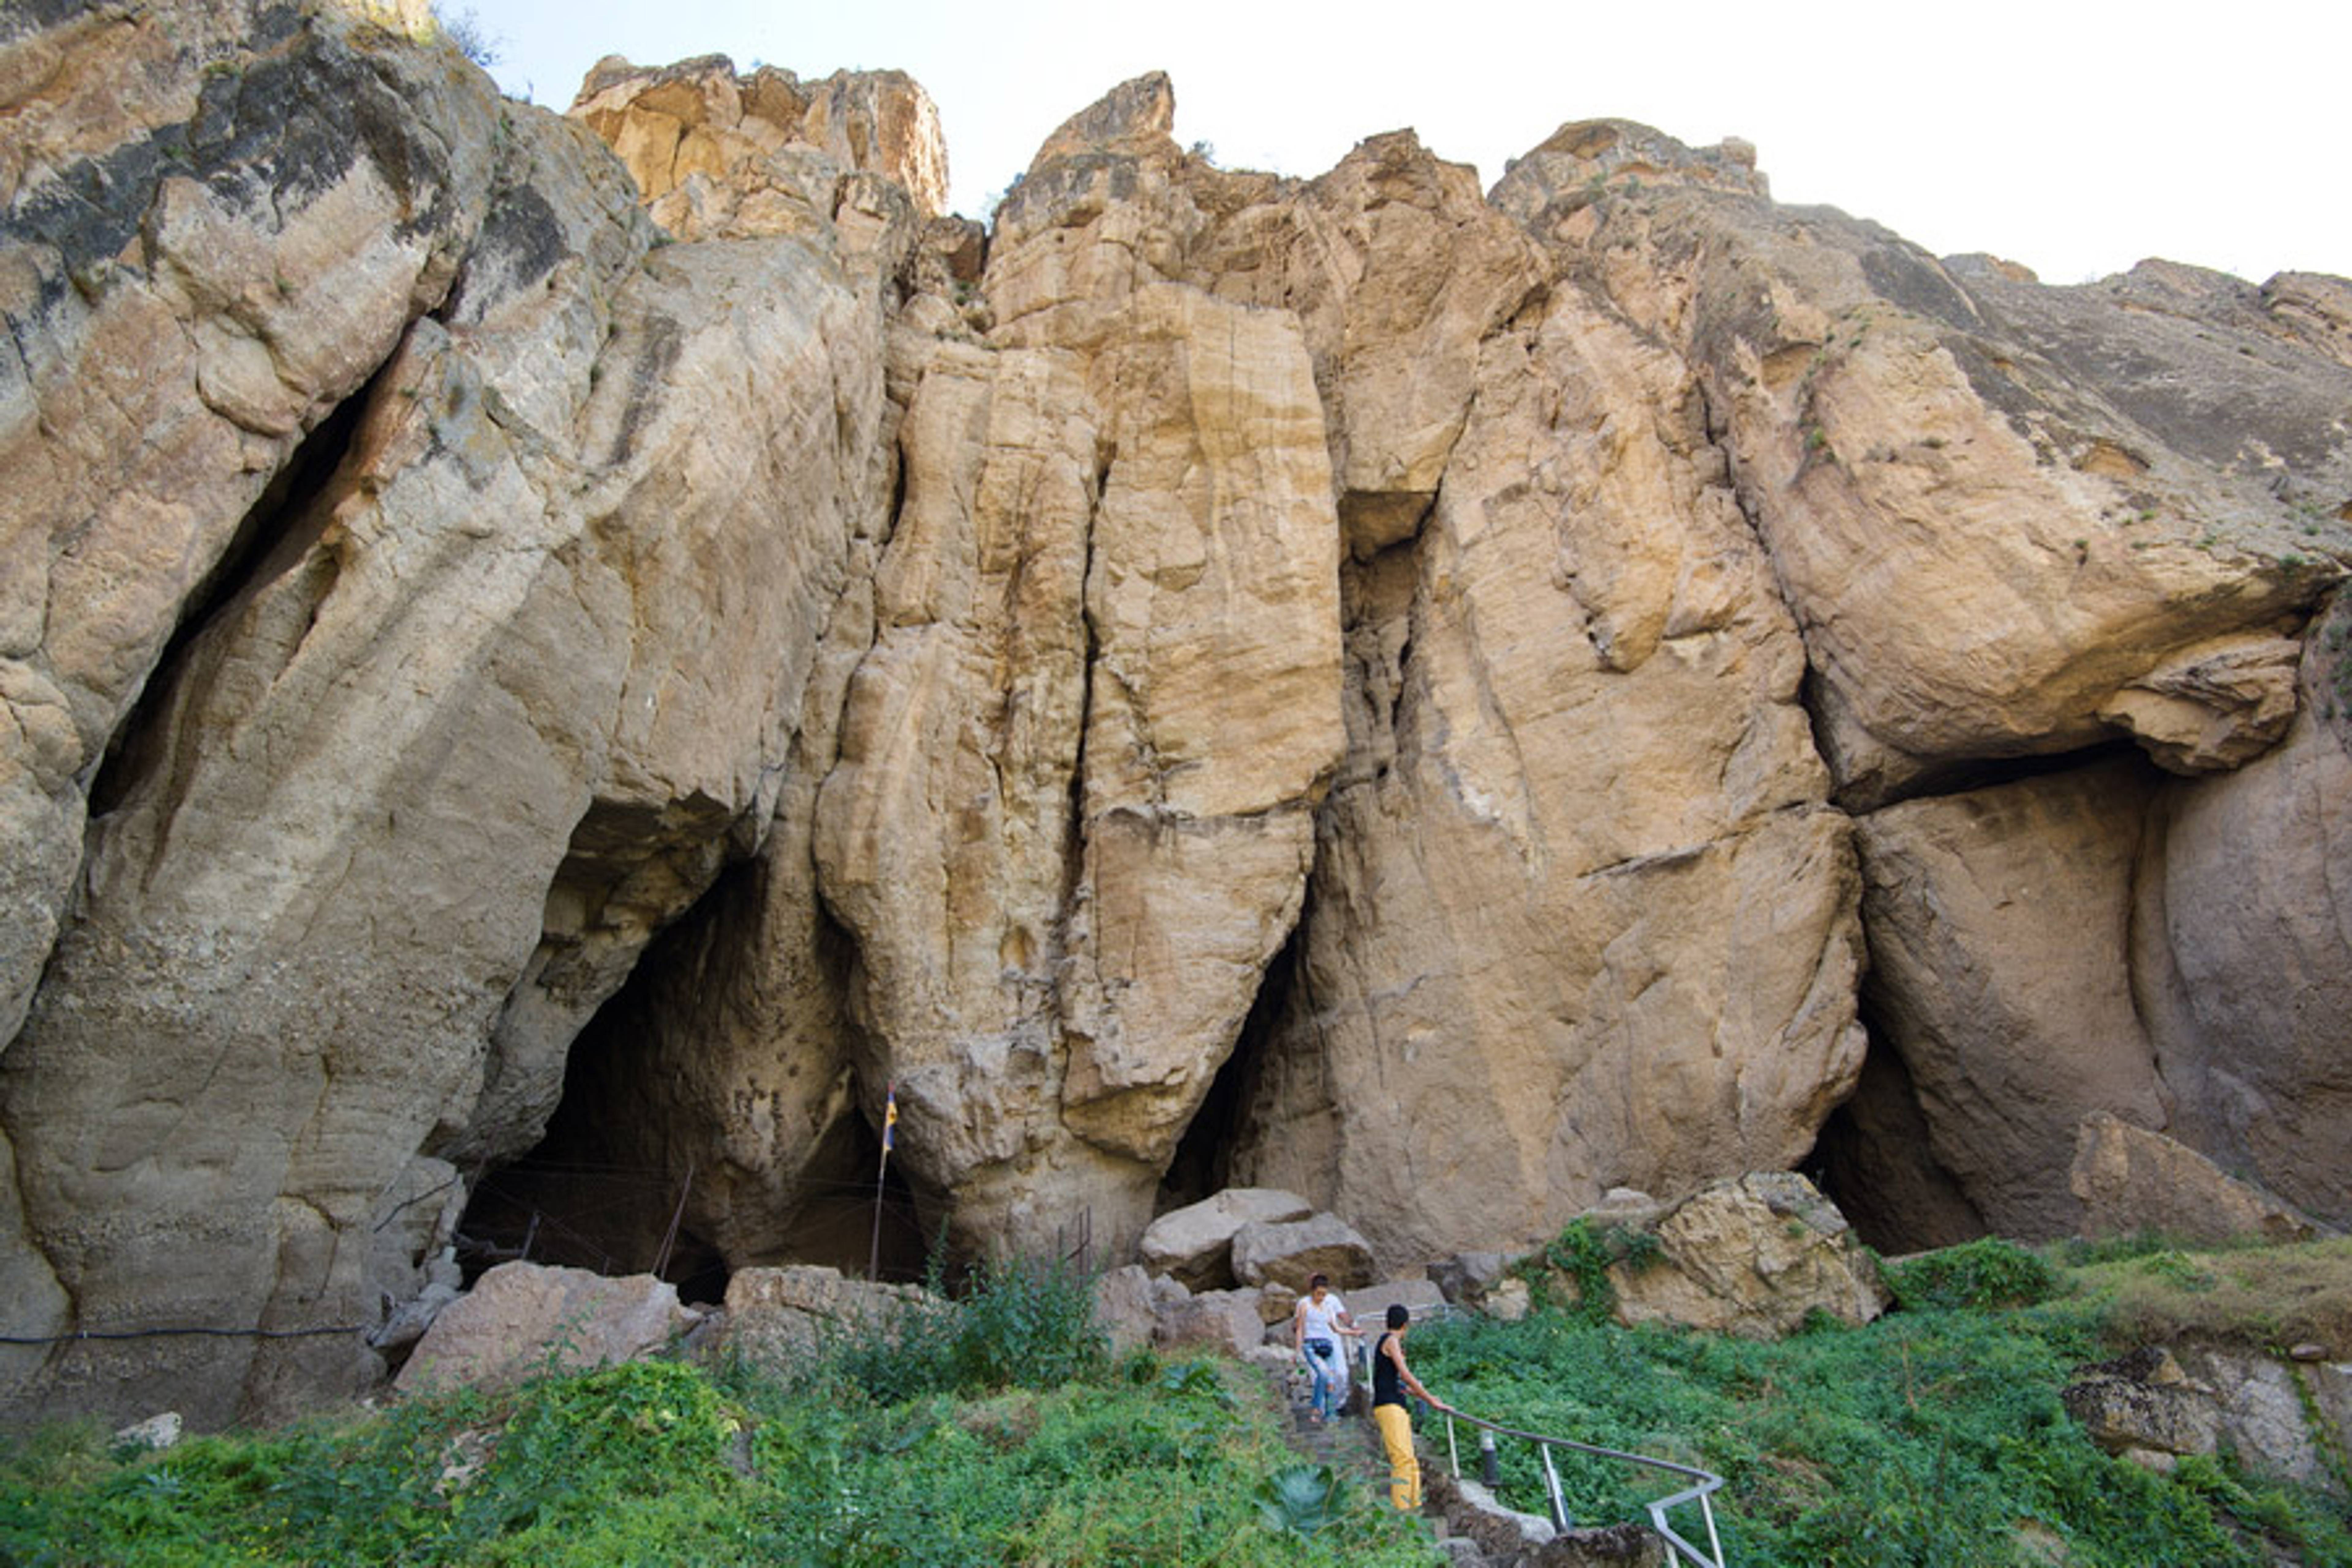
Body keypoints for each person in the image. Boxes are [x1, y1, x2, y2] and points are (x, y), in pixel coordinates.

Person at [1371, 1302, 1450, 1511]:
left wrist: (1425, 1396)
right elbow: (1405, 1375)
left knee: (1411, 1460)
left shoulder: (1389, 1342)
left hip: (1396, 1403)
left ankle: (1415, 1505)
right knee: (1402, 1460)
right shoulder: (1392, 1341)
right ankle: (1402, 1511)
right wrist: (1431, 1400)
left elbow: (1398, 1382)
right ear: (1406, 1325)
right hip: (1389, 1406)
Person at [1290, 1273, 1361, 1423]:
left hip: (1331, 1343)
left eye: (1324, 1293)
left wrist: (1354, 1328)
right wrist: (1298, 1350)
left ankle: (1337, 1406)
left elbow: (1341, 1320)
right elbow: (1298, 1326)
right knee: (1320, 1377)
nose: (1322, 1296)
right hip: (1312, 1344)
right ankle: (1321, 1411)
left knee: (1341, 1374)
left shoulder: (1331, 1302)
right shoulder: (1304, 1304)